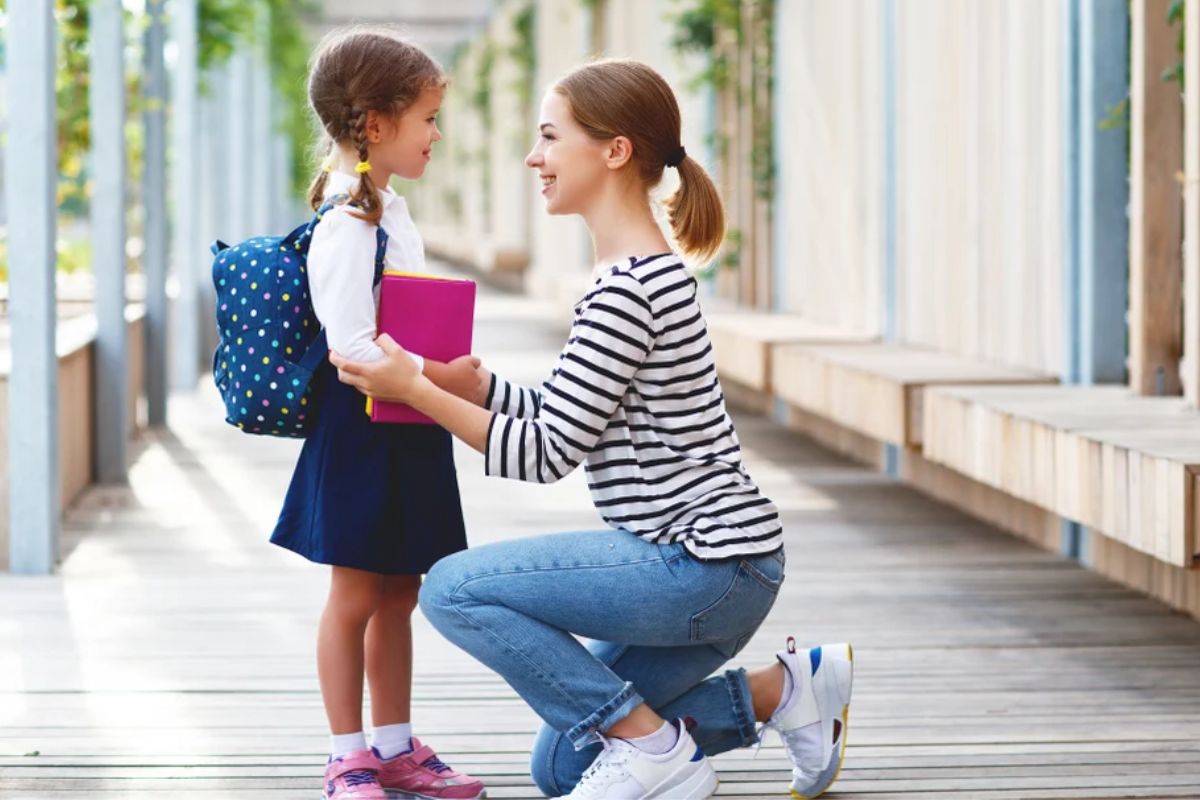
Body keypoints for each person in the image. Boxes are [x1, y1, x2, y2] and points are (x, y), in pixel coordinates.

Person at [331, 59, 853, 800]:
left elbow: (545, 454)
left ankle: (650, 746)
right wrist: (477, 387)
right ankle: (783, 693)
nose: (533, 157)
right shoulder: (638, 276)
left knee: (451, 588)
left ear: (614, 151)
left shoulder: (627, 291)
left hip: (700, 566)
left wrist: (412, 388)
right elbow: (574, 412)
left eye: (549, 137)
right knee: (563, 767)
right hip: (724, 568)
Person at [270, 26, 486, 800]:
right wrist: (443, 376)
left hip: (405, 425)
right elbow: (352, 349)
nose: (436, 133)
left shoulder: (389, 211)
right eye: (427, 116)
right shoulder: (346, 224)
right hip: (362, 428)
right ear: (375, 125)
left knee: (401, 592)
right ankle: (346, 753)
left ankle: (396, 747)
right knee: (356, 595)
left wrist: (437, 377)